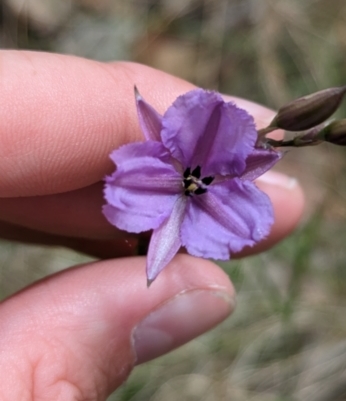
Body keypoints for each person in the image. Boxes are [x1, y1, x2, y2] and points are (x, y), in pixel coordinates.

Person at [0, 50, 304, 400]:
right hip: (166, 212)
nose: (194, 183)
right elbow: (127, 183)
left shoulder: (223, 178)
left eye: (198, 182)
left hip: (173, 217)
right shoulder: (179, 175)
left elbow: (242, 214)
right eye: (194, 181)